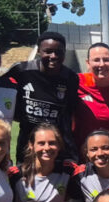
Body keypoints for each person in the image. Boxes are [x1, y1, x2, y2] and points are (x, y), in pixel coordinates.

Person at [5, 30, 80, 161]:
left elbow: (70, 110)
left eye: (59, 52)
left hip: (56, 146)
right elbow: (0, 86)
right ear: (39, 51)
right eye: (48, 51)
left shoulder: (70, 77)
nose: (54, 56)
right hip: (28, 145)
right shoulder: (22, 70)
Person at [14, 124, 76, 202]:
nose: (47, 148)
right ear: (31, 146)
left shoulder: (68, 171)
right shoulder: (16, 175)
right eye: (41, 143)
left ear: (59, 146)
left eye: (52, 143)